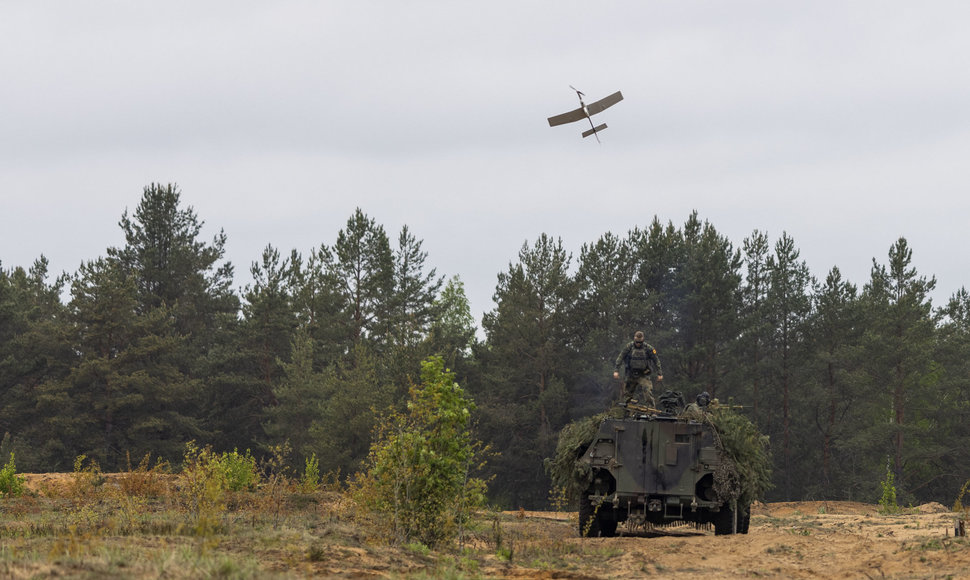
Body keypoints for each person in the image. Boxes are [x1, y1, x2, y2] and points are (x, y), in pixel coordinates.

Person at [613, 331, 663, 406]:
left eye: (640, 342)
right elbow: (620, 357)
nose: (638, 344)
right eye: (637, 342)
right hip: (631, 374)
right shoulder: (629, 347)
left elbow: (656, 360)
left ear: (643, 340)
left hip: (643, 374)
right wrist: (616, 370)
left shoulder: (648, 348)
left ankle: (652, 410)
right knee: (627, 395)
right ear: (634, 339)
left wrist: (660, 373)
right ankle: (627, 411)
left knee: (648, 392)